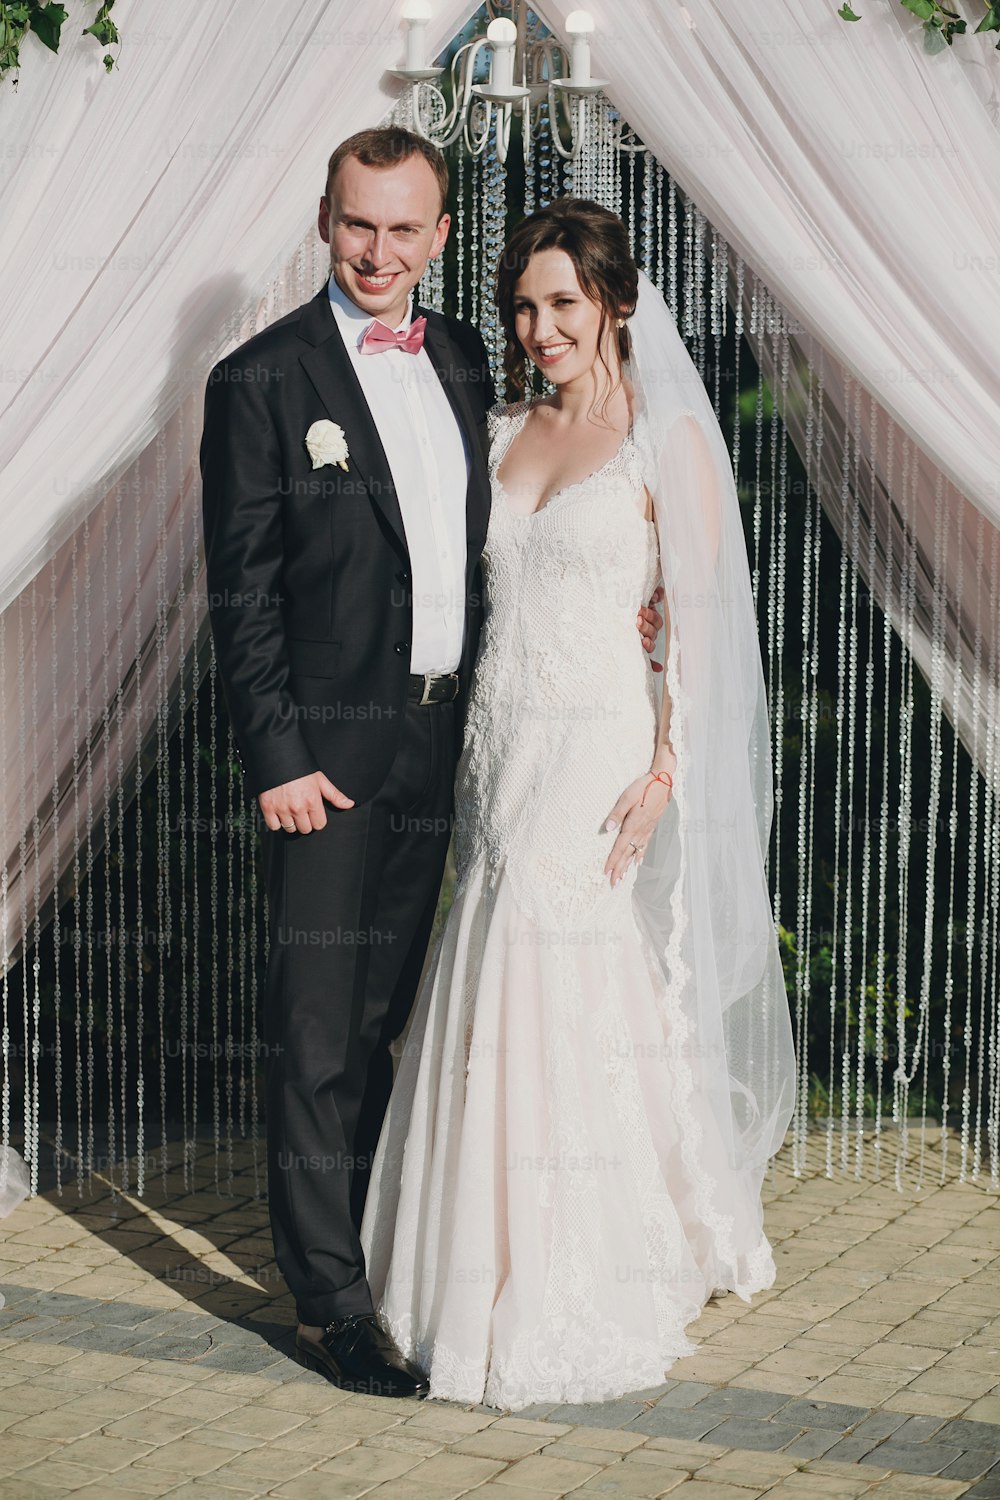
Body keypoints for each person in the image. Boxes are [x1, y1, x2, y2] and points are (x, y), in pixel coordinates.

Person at [200, 133, 663, 1397]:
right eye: (359, 225)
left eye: (406, 231)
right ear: (324, 219)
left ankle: (373, 1255)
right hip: (325, 764)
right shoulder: (258, 380)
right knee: (313, 1030)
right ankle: (330, 1305)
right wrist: (277, 757)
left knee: (389, 1020)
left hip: (454, 750)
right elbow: (238, 598)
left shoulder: (467, 358)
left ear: (441, 235)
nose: (378, 252)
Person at [360, 198, 798, 1409]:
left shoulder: (669, 442)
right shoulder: (497, 427)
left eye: (560, 302)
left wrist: (669, 770)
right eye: (521, 305)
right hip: (499, 742)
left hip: (600, 744)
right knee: (491, 941)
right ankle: (465, 1250)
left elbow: (702, 629)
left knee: (553, 951)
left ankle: (572, 1258)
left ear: (614, 300)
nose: (538, 326)